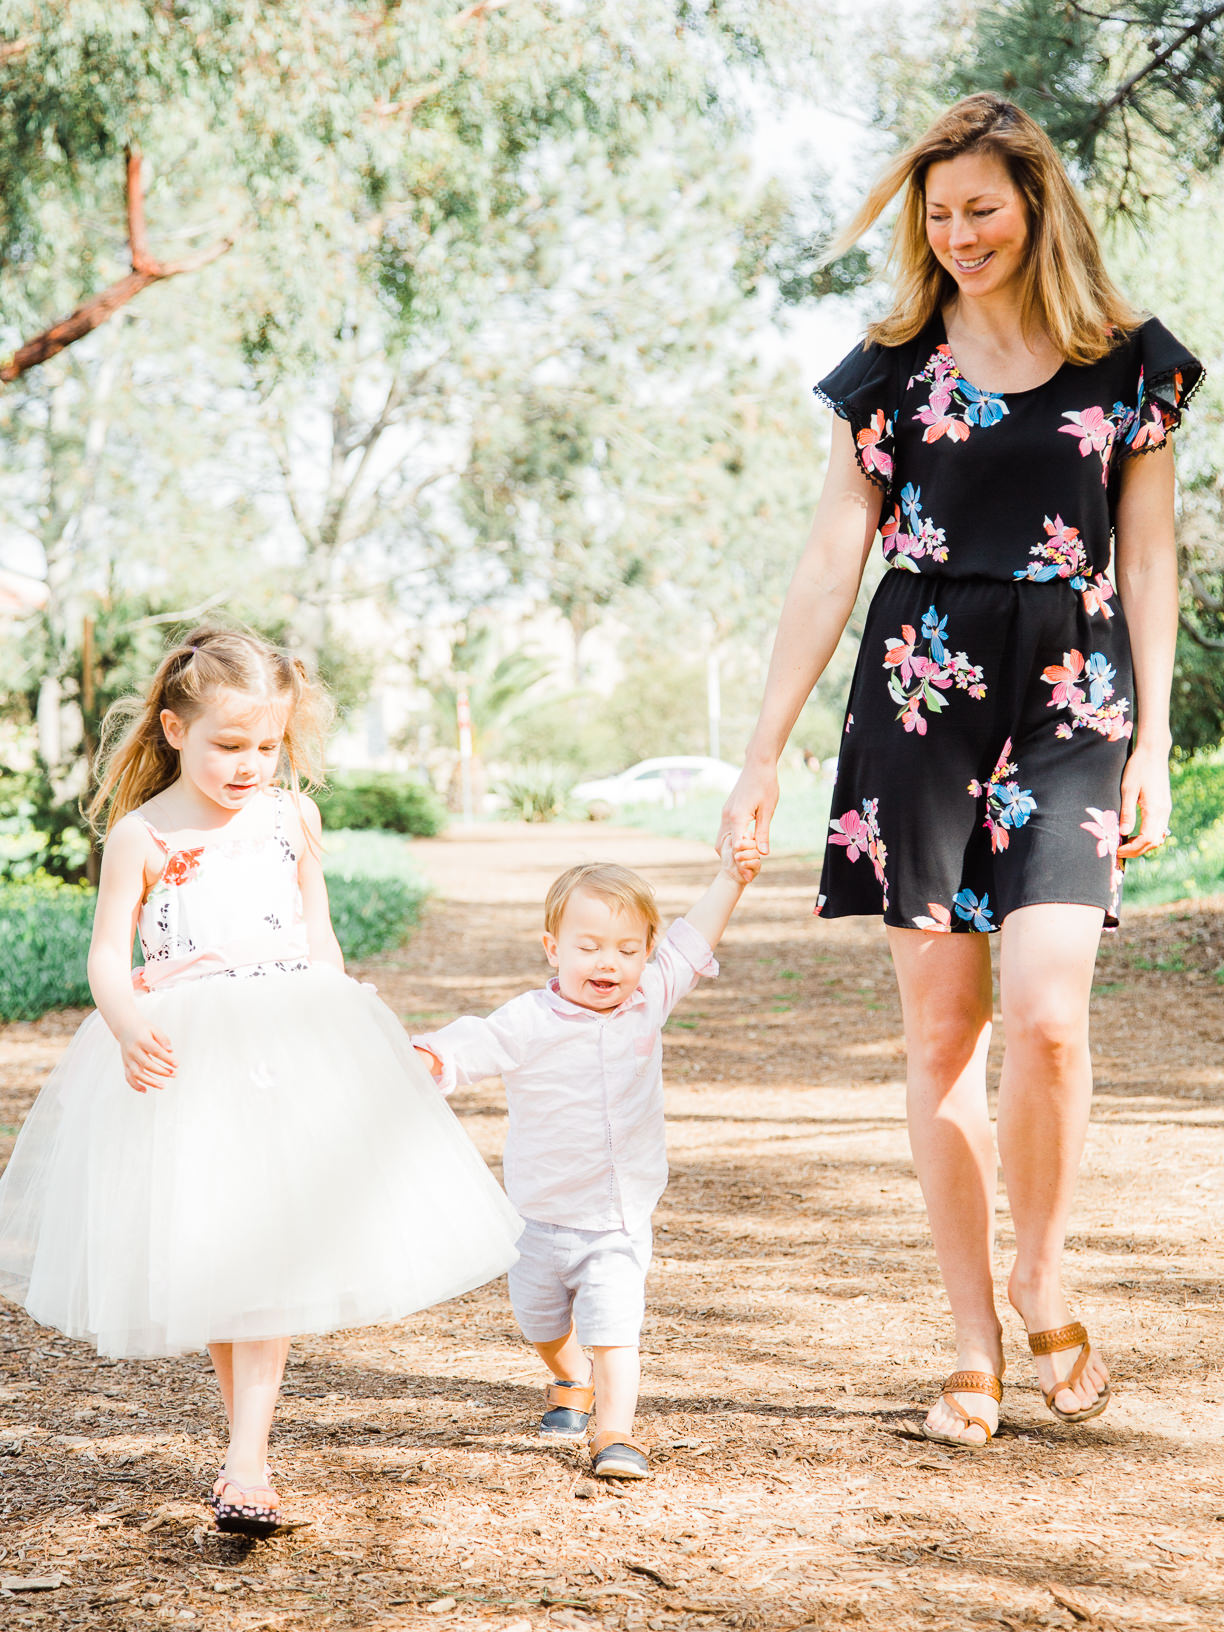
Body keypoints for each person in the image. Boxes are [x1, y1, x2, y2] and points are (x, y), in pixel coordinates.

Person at [719, 93, 1202, 1448]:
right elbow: (830, 566)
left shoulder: (1130, 370)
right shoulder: (888, 375)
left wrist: (1155, 735)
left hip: (1073, 701)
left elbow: (1150, 556)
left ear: (1036, 205)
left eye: (982, 207)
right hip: (918, 707)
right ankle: (975, 1346)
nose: (959, 233)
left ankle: (1043, 1270)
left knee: (1049, 1014)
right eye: (938, 215)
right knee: (942, 1041)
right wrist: (761, 755)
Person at [0, 626, 522, 1533]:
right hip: (189, 1054)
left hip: (290, 1041)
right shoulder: (144, 834)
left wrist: (346, 1019)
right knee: (218, 1238)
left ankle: (248, 1453)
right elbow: (106, 957)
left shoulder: (292, 818)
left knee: (269, 1243)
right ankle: (245, 1447)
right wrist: (127, 1027)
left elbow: (317, 932)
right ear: (172, 729)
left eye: (267, 746)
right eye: (228, 746)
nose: (249, 766)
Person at [412, 845, 759, 1480]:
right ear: (553, 949)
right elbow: (475, 1042)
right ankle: (570, 1379)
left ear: (645, 955)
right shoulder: (530, 1019)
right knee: (540, 1321)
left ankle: (615, 1433)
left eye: (629, 950)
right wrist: (432, 1057)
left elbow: (693, 936)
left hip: (618, 1219)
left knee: (614, 1331)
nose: (610, 962)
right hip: (540, 1216)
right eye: (590, 946)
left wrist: (730, 877)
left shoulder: (649, 999)